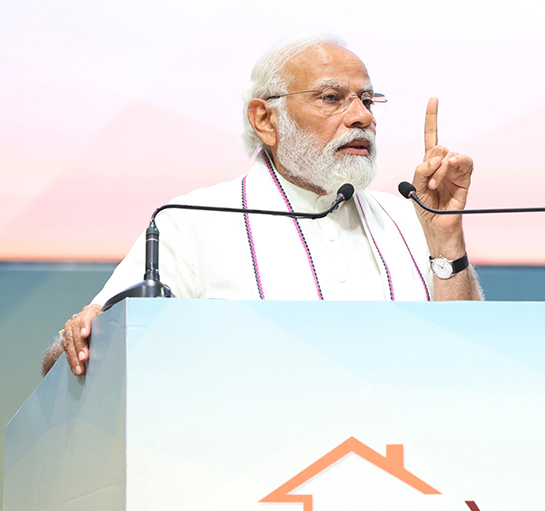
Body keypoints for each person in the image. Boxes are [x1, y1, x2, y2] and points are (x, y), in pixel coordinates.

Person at [42, 33, 482, 377]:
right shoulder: (193, 222)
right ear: (265, 119)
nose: (362, 116)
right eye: (332, 98)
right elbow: (68, 361)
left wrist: (445, 238)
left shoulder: (408, 216)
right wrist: (78, 340)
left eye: (367, 100)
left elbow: (471, 358)